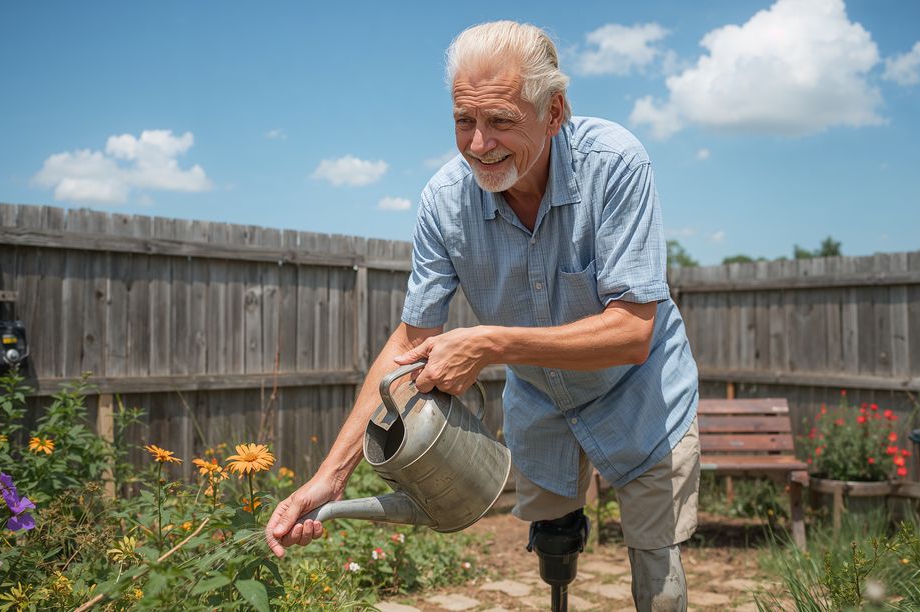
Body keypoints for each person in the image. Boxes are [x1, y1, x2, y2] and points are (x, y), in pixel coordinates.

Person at [267, 20, 700, 611]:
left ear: (554, 112)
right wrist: (330, 477)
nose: (478, 144)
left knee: (656, 559)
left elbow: (631, 332)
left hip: (642, 395)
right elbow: (410, 342)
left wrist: (492, 343)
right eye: (463, 121)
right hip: (543, 402)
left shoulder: (616, 164)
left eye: (500, 121)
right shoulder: (445, 202)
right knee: (554, 547)